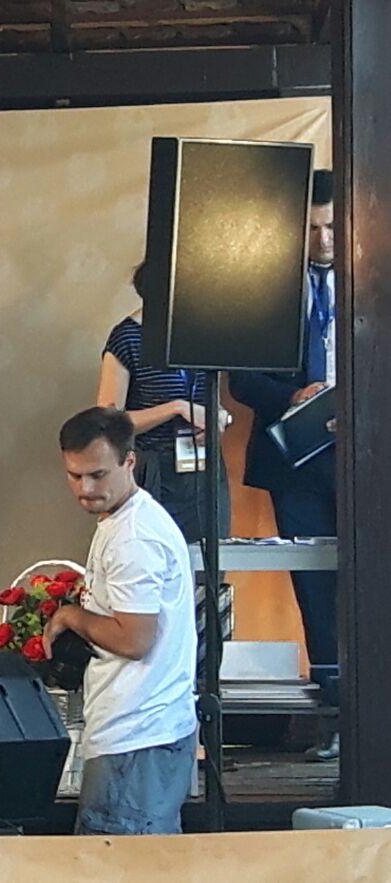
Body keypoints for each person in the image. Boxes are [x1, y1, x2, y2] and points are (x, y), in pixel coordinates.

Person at [45, 406, 197, 835]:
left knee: (114, 861)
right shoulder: (126, 520)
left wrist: (72, 616)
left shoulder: (133, 537)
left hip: (135, 735)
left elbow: (134, 640)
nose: (85, 489)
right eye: (74, 475)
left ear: (129, 461)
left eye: (98, 475)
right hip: (147, 732)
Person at [229, 169, 339, 761]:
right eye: (313, 229)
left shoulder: (372, 279)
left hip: (364, 459)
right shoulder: (264, 291)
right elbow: (241, 381)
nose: (324, 240)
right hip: (293, 462)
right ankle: (335, 718)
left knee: (371, 584)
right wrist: (293, 396)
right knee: (315, 590)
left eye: (332, 227)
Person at [96, 261, 232, 544]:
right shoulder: (127, 337)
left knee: (210, 560)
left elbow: (210, 400)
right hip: (153, 468)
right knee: (155, 554)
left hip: (204, 467)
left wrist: (219, 418)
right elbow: (108, 422)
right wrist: (176, 407)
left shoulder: (201, 333)